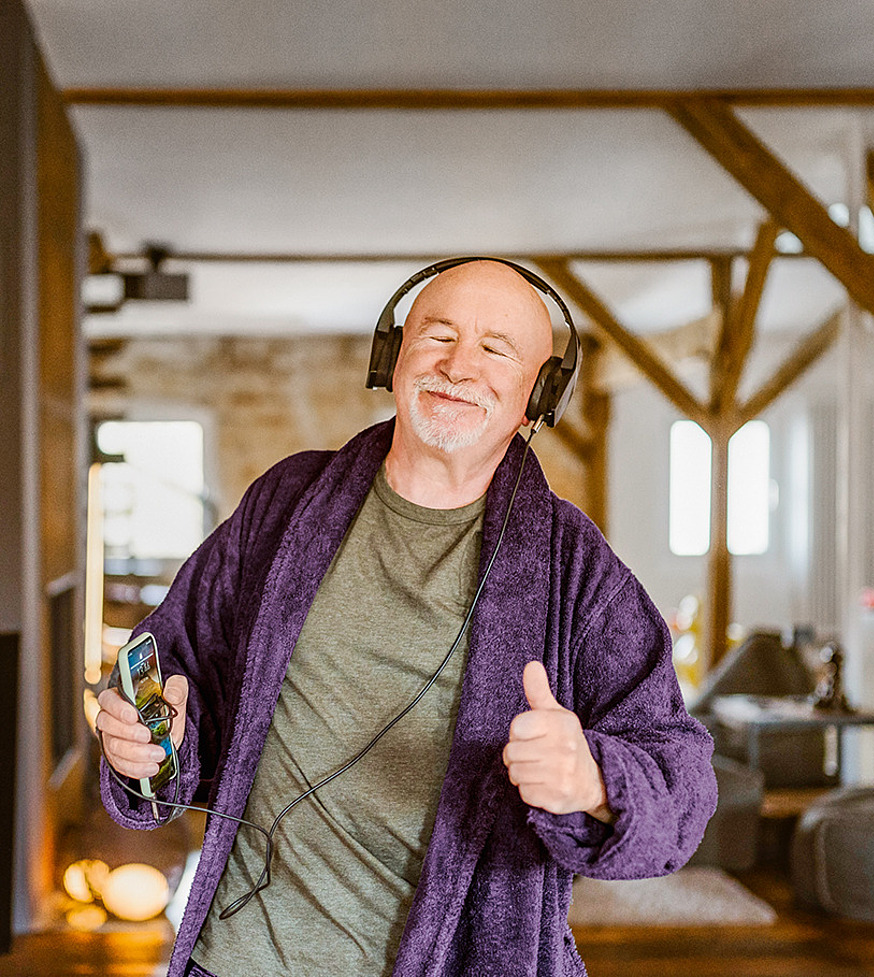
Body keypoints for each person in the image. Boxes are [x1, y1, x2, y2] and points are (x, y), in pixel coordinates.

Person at [97, 258, 717, 977]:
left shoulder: (577, 570)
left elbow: (683, 785)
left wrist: (596, 781)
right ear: (392, 357)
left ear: (538, 397)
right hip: (232, 960)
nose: (458, 365)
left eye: (495, 349)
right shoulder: (287, 499)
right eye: (438, 335)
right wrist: (148, 745)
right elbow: (176, 662)